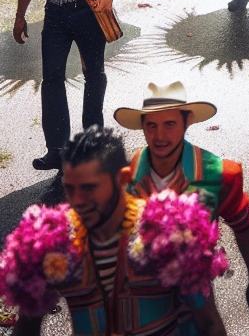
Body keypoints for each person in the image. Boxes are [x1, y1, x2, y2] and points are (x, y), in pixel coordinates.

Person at [12, 125, 227, 336]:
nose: (78, 202)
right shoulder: (52, 242)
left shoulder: (171, 233)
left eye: (90, 187)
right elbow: (26, 329)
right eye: (70, 188)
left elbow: (209, 325)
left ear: (122, 180)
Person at [115, 81, 249, 325]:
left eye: (170, 124)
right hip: (141, 295)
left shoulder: (221, 174)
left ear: (187, 123)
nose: (160, 136)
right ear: (143, 128)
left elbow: (243, 225)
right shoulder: (136, 165)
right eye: (151, 126)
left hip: (195, 298)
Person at [13, 0, 126, 171]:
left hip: (89, 14)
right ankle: (57, 150)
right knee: (51, 79)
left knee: (94, 75)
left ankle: (92, 145)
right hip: (55, 15)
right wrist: (20, 16)